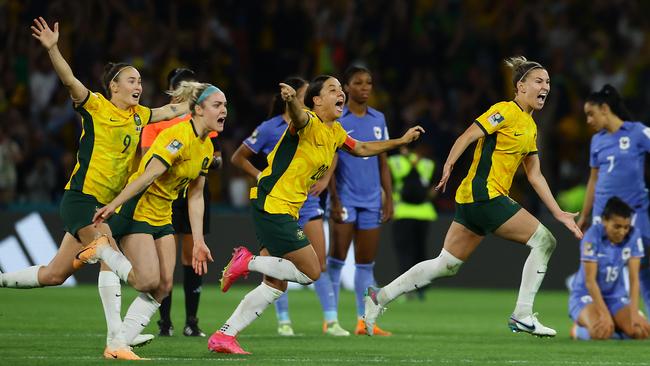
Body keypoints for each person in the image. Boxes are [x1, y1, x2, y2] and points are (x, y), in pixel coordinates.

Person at [0, 17, 187, 350]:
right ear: (114, 86)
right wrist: (53, 48)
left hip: (104, 208)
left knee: (54, 275)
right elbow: (70, 79)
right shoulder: (96, 106)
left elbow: (171, 110)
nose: (139, 85)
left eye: (140, 80)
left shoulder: (140, 115)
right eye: (132, 80)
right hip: (82, 201)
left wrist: (203, 102)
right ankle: (117, 340)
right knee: (108, 253)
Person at [363, 56, 583, 338]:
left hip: (473, 200)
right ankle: (523, 314)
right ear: (520, 86)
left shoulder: (530, 127)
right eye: (539, 81)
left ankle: (378, 297)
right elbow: (467, 136)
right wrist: (449, 164)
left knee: (447, 264)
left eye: (548, 82)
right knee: (544, 241)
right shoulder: (504, 110)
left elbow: (535, 175)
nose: (546, 87)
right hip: (484, 195)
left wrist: (558, 212)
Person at [207, 75, 424, 354]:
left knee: (274, 286)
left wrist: (400, 141)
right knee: (311, 271)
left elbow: (361, 148)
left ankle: (224, 336)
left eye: (340, 89)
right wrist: (293, 102)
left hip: (284, 207)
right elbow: (298, 117)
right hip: (274, 203)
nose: (340, 93)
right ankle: (246, 262)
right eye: (332, 89)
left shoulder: (334, 132)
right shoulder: (308, 121)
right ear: (317, 100)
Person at [82, 81, 224, 360]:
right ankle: (102, 251)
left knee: (164, 286)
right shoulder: (178, 137)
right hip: (138, 210)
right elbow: (146, 176)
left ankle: (119, 344)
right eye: (218, 105)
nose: (224, 111)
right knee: (147, 281)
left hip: (163, 214)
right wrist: (114, 204)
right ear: (198, 110)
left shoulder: (205, 147)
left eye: (225, 106)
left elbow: (196, 196)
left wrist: (197, 242)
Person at [231, 76, 349, 336]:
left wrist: (326, 179)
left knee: (308, 267)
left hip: (305, 203)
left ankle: (331, 319)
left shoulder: (326, 128)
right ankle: (283, 319)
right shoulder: (275, 126)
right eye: (303, 96)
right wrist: (259, 173)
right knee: (285, 277)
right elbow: (238, 156)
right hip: (276, 198)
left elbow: (337, 153)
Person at [141, 68, 220, 338]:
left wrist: (212, 162)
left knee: (191, 256)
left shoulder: (202, 119)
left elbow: (211, 155)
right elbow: (147, 161)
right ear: (173, 91)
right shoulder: (159, 122)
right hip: (166, 196)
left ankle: (191, 322)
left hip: (195, 191)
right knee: (167, 263)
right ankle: (165, 322)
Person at [327, 65, 394, 336]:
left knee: (366, 264)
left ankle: (364, 321)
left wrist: (388, 197)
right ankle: (329, 318)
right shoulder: (338, 120)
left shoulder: (378, 119)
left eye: (368, 83)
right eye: (358, 83)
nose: (364, 87)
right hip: (345, 198)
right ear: (347, 87)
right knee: (337, 260)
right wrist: (332, 198)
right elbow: (329, 163)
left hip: (371, 201)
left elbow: (383, 161)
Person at [576, 84, 650, 316]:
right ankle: (594, 317)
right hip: (602, 216)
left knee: (645, 267)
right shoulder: (597, 141)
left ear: (605, 108)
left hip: (636, 214)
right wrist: (585, 215)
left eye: (591, 113)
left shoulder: (637, 132)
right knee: (597, 268)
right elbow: (593, 180)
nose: (588, 120)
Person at [569, 197, 650, 340]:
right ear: (604, 220)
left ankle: (616, 326)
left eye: (626, 227)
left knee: (641, 332)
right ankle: (577, 330)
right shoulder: (592, 236)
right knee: (601, 332)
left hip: (615, 298)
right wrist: (605, 314)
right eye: (617, 226)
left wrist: (634, 312)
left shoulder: (633, 235)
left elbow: (634, 278)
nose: (622, 232)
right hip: (585, 296)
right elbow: (590, 281)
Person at [387, 143, 437, 300]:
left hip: (402, 212)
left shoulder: (394, 162)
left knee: (404, 253)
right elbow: (434, 189)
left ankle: (405, 290)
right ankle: (421, 289)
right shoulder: (428, 164)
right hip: (424, 213)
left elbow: (387, 186)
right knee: (420, 252)